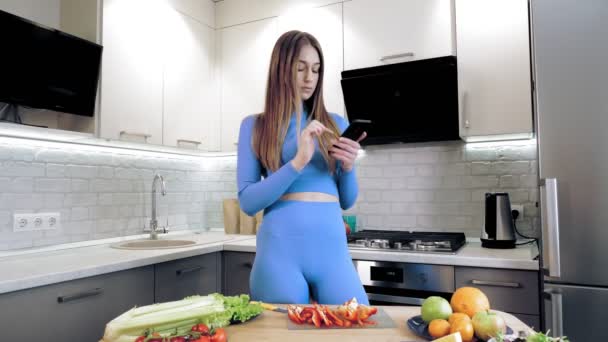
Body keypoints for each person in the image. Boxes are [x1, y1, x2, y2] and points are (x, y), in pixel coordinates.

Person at [237, 30, 369, 305]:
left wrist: (347, 166)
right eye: (300, 68)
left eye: (316, 70)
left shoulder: (335, 124)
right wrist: (298, 162)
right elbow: (248, 202)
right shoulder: (255, 125)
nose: (309, 77)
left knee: (359, 328)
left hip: (332, 253)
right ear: (281, 69)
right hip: (279, 253)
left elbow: (347, 200)